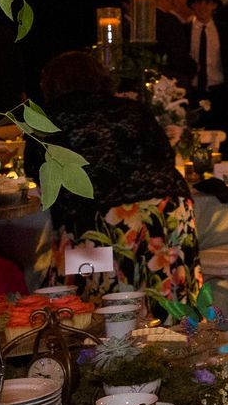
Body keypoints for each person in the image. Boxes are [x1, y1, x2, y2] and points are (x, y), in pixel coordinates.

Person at [25, 50, 197, 301]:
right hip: (168, 212)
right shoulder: (133, 109)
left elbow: (39, 175)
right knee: (168, 304)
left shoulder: (46, 121)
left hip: (96, 223)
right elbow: (165, 156)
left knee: (92, 307)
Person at [186, 0, 228, 154]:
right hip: (193, 93)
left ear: (214, 6)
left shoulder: (225, 30)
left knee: (221, 139)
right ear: (193, 6)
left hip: (219, 93)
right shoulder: (184, 30)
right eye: (198, 2)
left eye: (207, 3)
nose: (203, 7)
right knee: (195, 139)